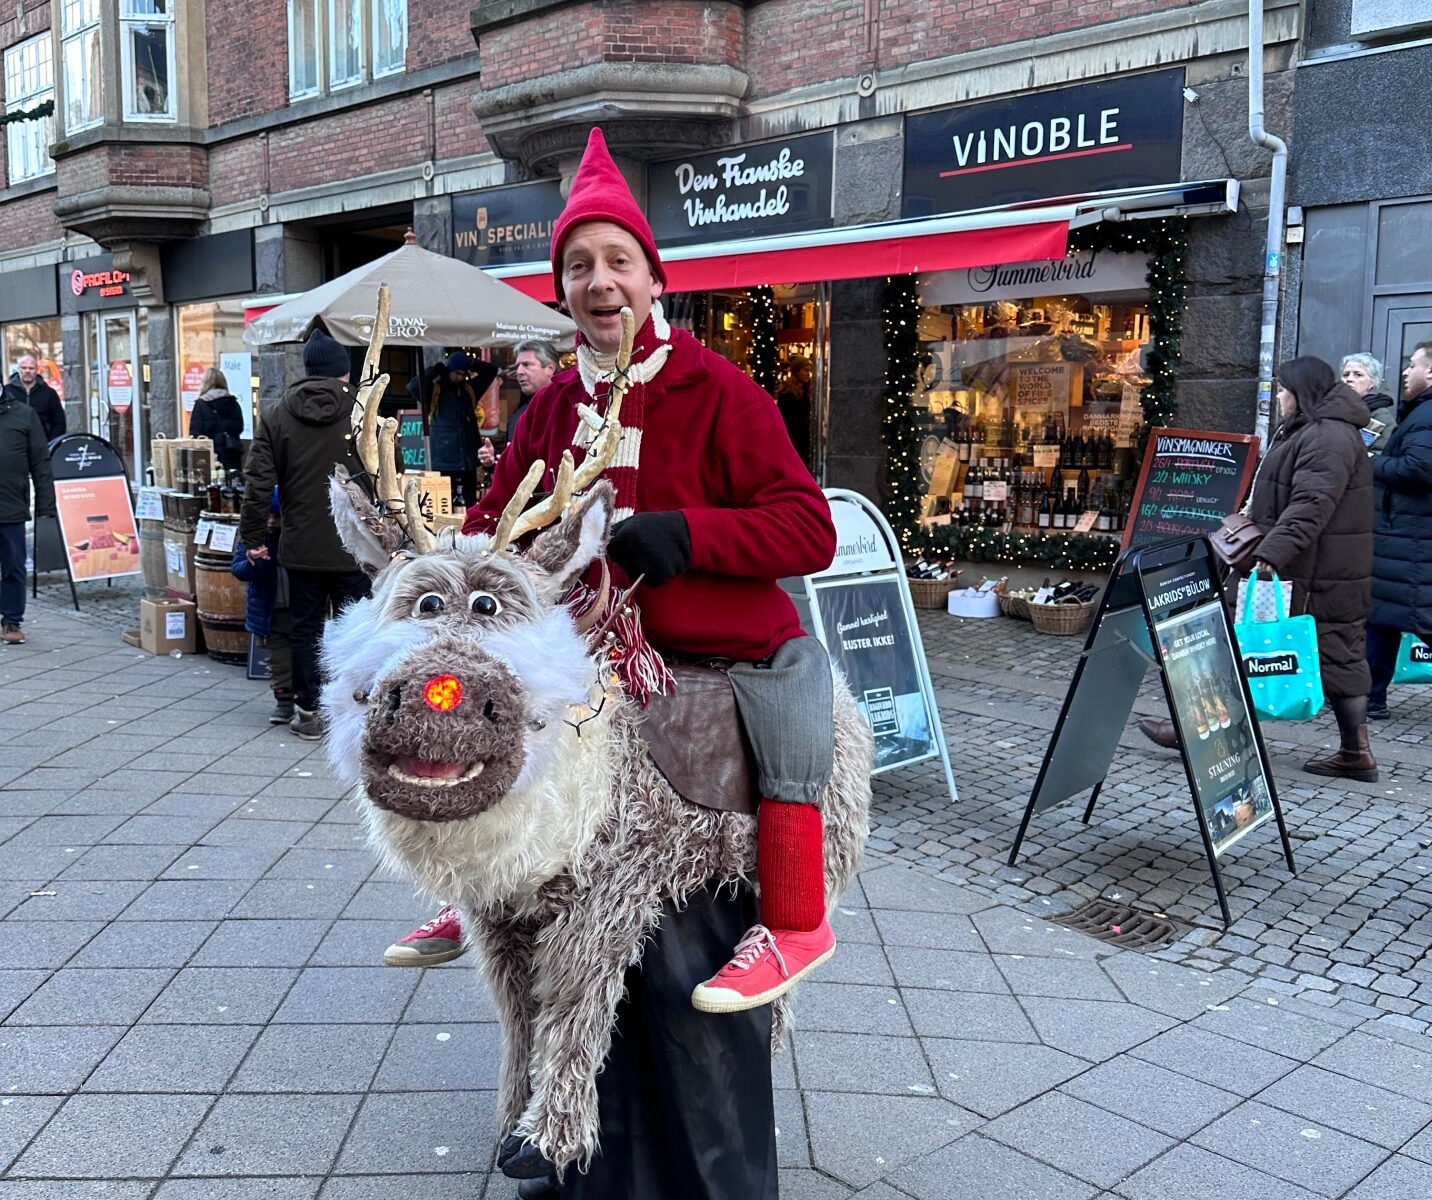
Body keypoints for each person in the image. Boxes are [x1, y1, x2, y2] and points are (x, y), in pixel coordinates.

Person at [1141, 357, 1376, 779]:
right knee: (1329, 653)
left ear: (1301, 391)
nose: (1279, 397)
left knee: (1256, 645)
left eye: (1283, 389)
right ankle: (1352, 753)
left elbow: (1312, 503)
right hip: (1313, 568)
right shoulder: (1317, 430)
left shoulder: (1327, 436)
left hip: (1308, 571)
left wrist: (1271, 554)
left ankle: (1201, 735)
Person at [240, 328, 371, 740]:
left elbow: (258, 482)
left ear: (308, 370)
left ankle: (309, 711)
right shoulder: (363, 410)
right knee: (358, 627)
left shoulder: (277, 414)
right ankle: (357, 708)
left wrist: (253, 537)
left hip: (302, 545)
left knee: (306, 629)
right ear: (344, 373)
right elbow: (389, 477)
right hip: (357, 545)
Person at [1366, 341, 1432, 720]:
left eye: (1412, 365)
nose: (1405, 372)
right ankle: (1369, 698)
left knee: (1411, 616)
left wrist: (1372, 463)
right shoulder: (1420, 412)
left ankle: (1369, 697)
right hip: (1403, 537)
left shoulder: (1427, 414)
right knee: (1382, 617)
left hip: (1413, 538)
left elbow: (1418, 469)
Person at [231, 487, 294, 724]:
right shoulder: (252, 538)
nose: (269, 522)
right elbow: (237, 569)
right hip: (269, 611)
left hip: (299, 608)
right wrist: (251, 561)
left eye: (275, 517)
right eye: (266, 516)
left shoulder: (294, 537)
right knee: (278, 660)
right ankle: (284, 702)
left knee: (304, 657)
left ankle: (307, 701)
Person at [0, 380, 56, 645]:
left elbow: (40, 462)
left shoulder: (24, 414)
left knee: (13, 566)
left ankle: (12, 620)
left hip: (10, 506)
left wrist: (46, 503)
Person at [407, 350, 498, 507]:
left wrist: (470, 363)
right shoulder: (434, 390)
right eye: (457, 373)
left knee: (468, 504)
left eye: (464, 374)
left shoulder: (469, 389)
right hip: (443, 460)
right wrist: (436, 369)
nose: (460, 377)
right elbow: (414, 385)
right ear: (449, 371)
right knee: (442, 504)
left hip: (468, 460)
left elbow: (491, 371)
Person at [478, 339, 560, 468]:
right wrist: (493, 459)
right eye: (518, 366)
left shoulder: (568, 409)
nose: (519, 372)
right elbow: (513, 463)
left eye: (526, 364)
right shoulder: (519, 414)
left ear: (550, 369)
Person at [189, 367, 246, 474]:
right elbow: (239, 427)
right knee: (233, 483)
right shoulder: (233, 403)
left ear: (205, 383)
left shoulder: (201, 404)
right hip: (232, 453)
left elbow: (195, 433)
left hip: (209, 457)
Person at [1340, 352, 1397, 454]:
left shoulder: (1380, 415)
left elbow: (1382, 453)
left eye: (1358, 375)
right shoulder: (1331, 408)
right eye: (1345, 375)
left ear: (1372, 382)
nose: (1349, 379)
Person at [3, 354, 65, 442]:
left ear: (37, 370)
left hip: (43, 444)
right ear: (18, 369)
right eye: (23, 368)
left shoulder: (49, 393)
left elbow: (60, 422)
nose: (27, 371)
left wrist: (51, 443)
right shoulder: (6, 392)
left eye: (31, 368)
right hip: (13, 445)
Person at [775, 353, 814, 471]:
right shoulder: (787, 394)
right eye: (805, 370)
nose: (808, 374)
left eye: (809, 370)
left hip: (803, 438)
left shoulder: (807, 390)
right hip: (794, 439)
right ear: (797, 372)